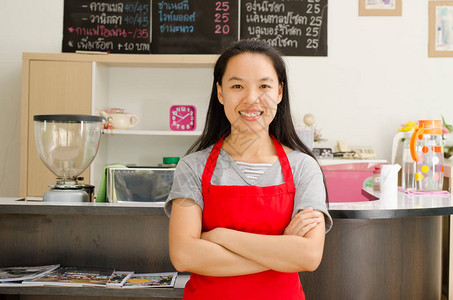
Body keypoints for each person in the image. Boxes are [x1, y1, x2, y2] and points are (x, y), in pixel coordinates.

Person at [164, 39, 332, 300]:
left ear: (279, 92)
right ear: (220, 93)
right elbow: (184, 255)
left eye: (264, 86)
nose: (251, 98)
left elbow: (309, 257)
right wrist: (282, 251)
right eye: (237, 86)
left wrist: (220, 236)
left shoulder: (303, 168)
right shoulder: (192, 167)